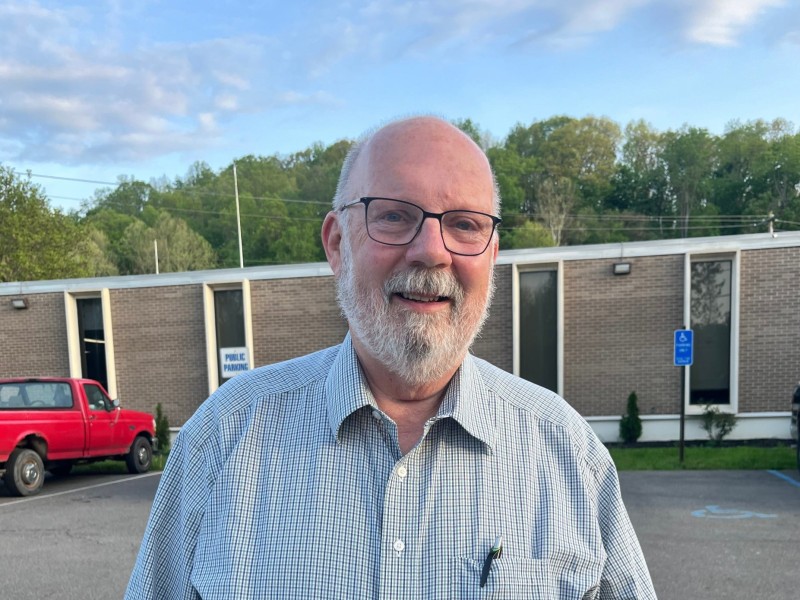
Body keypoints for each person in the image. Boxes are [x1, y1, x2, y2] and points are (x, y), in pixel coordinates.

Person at [125, 116, 656, 599]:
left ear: (492, 254)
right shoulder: (224, 439)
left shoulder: (566, 452)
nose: (431, 250)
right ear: (337, 243)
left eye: (465, 224)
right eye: (395, 217)